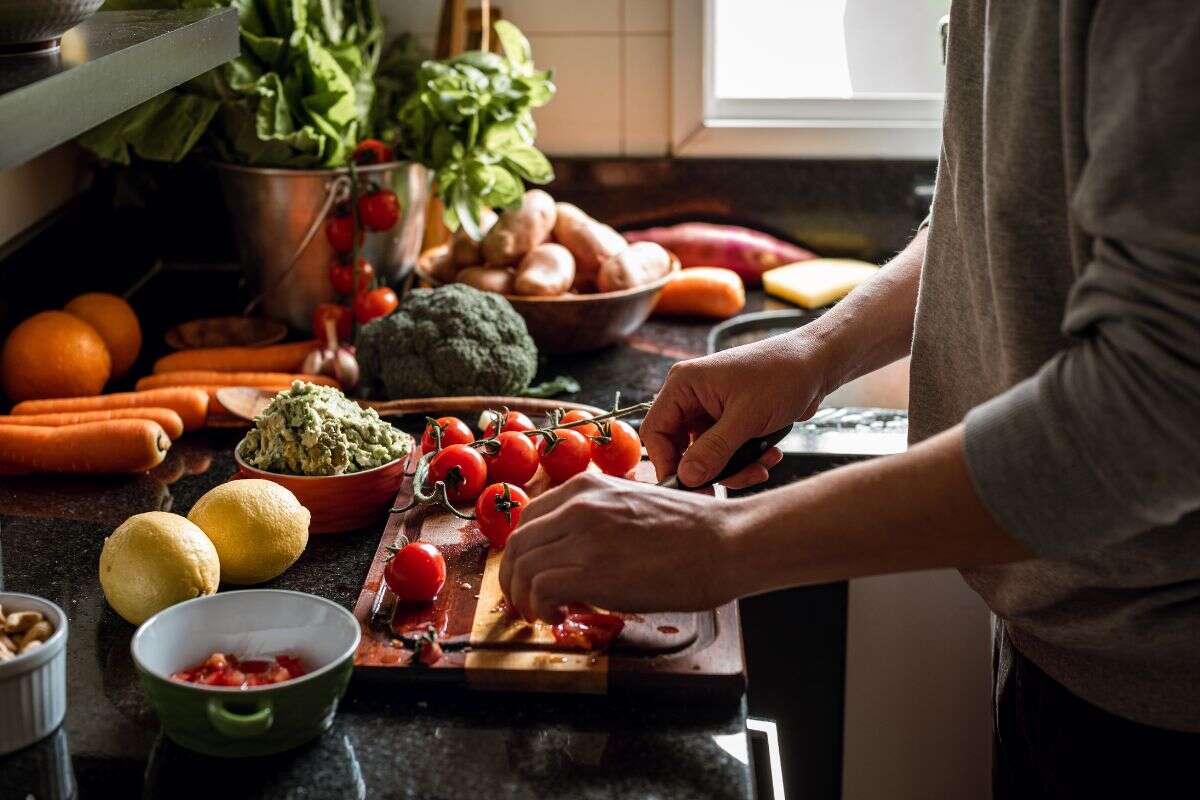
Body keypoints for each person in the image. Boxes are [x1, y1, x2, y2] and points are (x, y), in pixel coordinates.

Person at [500, 2, 1200, 795]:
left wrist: (725, 542)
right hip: (1064, 641)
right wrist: (815, 352)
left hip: (1168, 709)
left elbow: (1162, 403)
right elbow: (996, 209)